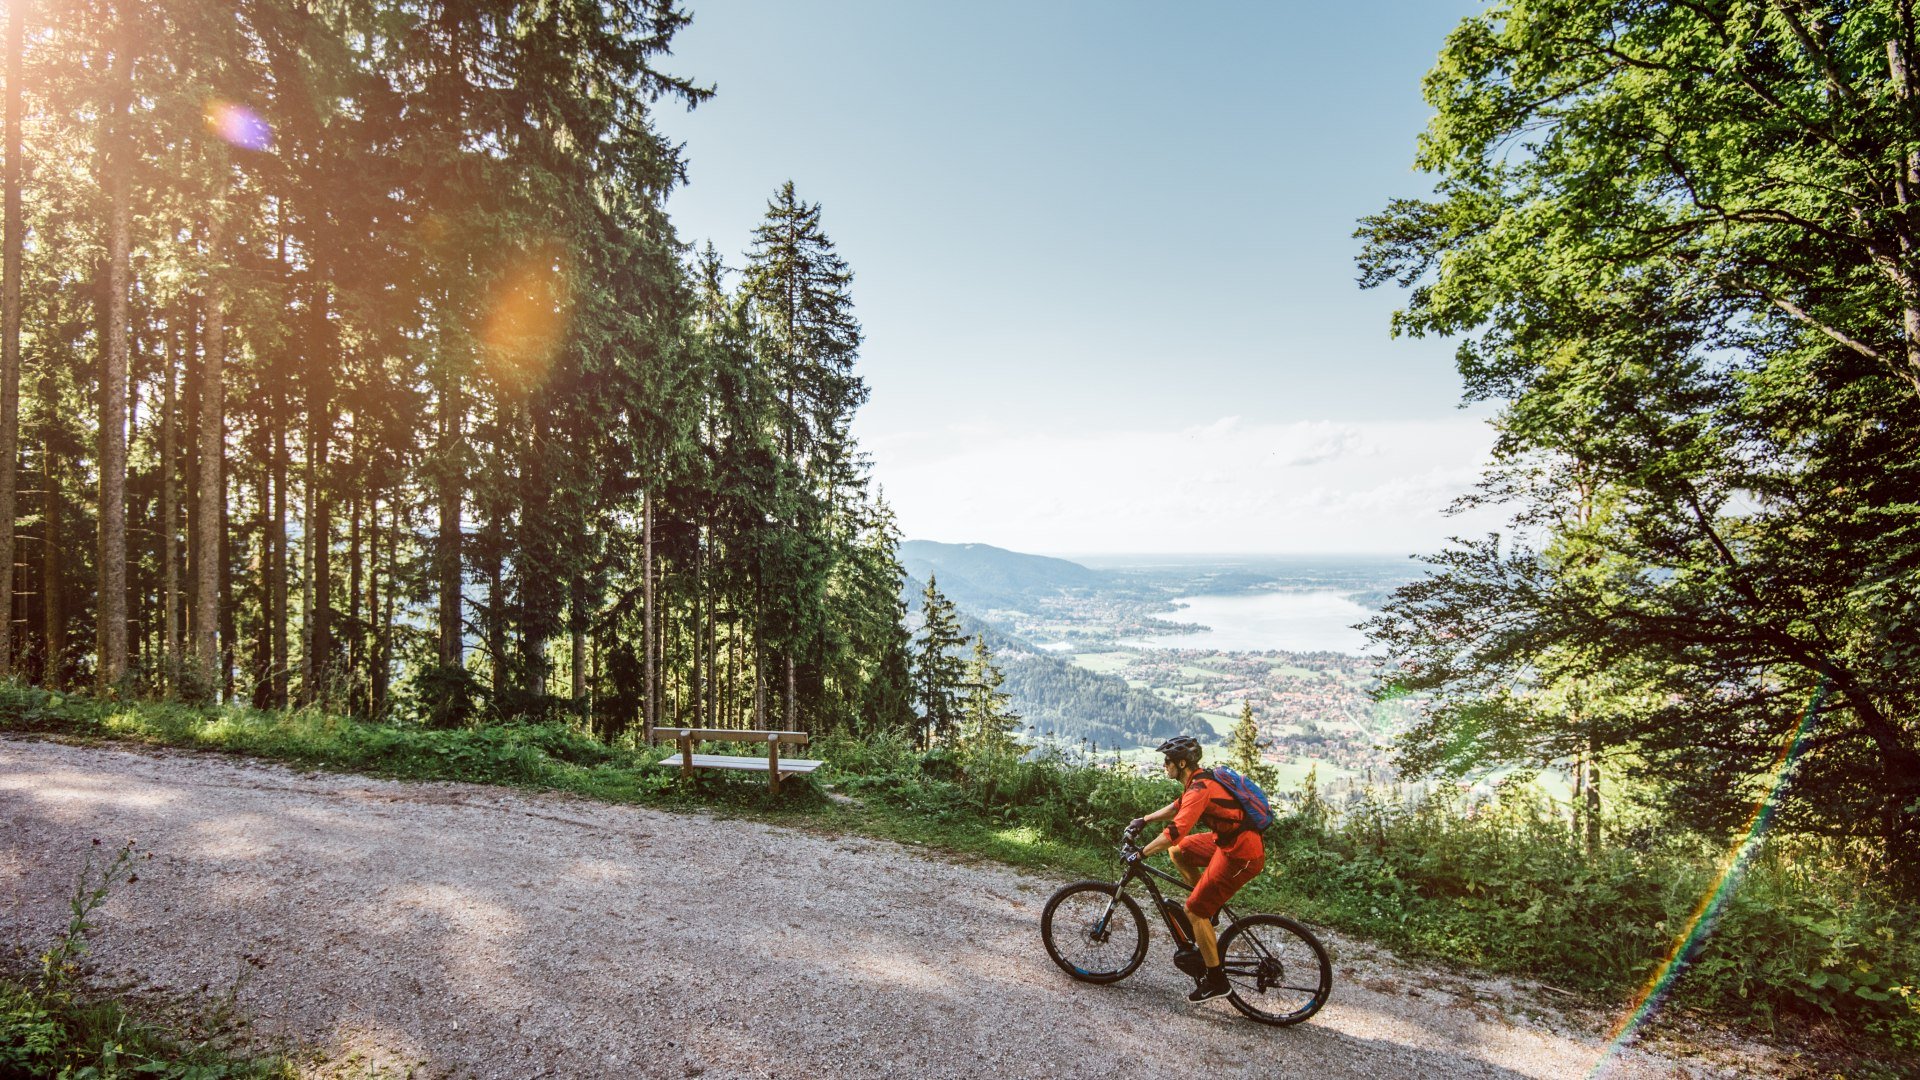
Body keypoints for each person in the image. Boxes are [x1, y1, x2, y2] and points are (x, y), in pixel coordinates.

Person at [1129, 735, 1265, 1002]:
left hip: (1242, 854)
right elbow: (1178, 808)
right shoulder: (1198, 781)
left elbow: (1175, 831)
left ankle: (1216, 981)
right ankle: (1208, 908)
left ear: (1182, 763)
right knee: (1180, 851)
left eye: (1167, 760)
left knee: (1192, 909)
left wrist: (1141, 853)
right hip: (1226, 842)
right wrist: (1144, 819)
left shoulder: (1200, 788)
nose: (1164, 764)